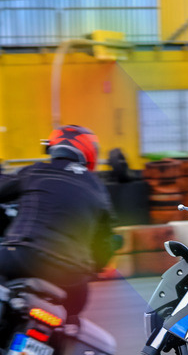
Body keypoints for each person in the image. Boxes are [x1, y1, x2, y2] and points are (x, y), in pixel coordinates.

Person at [0, 125, 116, 317]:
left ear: (54, 147)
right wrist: (97, 266)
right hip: (72, 277)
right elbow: (105, 244)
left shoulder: (35, 171)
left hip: (22, 256)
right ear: (89, 152)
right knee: (69, 322)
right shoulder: (98, 189)